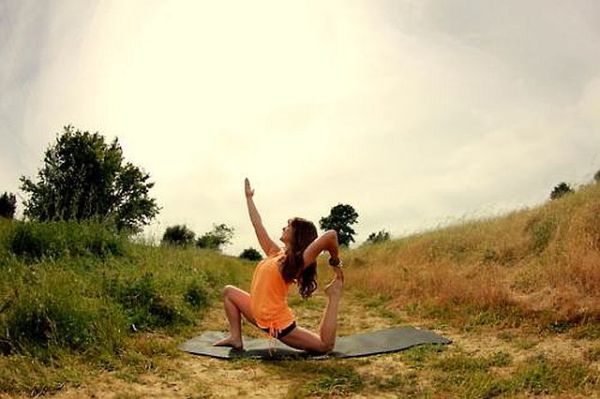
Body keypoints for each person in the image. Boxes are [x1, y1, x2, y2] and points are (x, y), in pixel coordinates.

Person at [212, 177, 344, 354]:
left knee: (324, 346)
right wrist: (249, 198)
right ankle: (236, 338)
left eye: (289, 226)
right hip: (258, 313)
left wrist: (335, 262)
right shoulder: (275, 253)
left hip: (277, 323)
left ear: (297, 234)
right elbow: (257, 223)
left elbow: (331, 235)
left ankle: (334, 296)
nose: (284, 227)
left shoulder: (297, 261)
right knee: (229, 292)